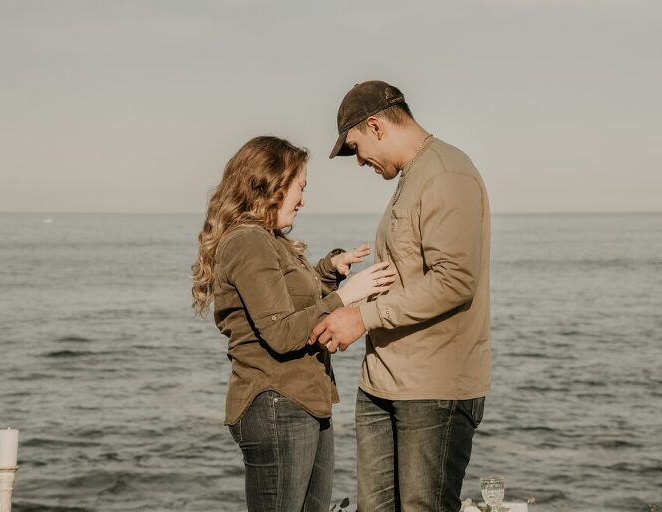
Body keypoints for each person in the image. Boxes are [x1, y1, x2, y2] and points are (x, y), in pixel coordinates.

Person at [310, 81, 491, 511]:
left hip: (432, 389)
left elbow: (454, 280)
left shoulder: (447, 173)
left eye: (354, 148)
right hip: (382, 383)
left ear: (375, 126)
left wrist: (362, 318)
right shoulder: (412, 178)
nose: (359, 163)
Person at [191, 135, 397, 511]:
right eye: (299, 188)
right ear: (271, 184)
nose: (303, 200)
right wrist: (346, 297)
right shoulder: (248, 243)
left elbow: (291, 302)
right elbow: (283, 332)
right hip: (275, 404)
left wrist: (329, 272)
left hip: (303, 402)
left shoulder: (269, 240)